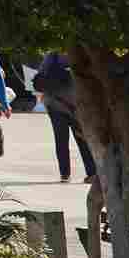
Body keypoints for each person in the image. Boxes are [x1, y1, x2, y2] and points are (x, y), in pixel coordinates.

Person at [32, 52, 94, 183]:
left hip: (54, 104)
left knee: (61, 140)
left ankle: (65, 174)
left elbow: (40, 78)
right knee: (82, 139)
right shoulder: (79, 55)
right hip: (73, 105)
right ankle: (92, 173)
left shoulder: (52, 56)